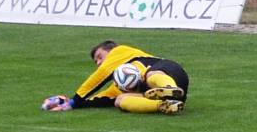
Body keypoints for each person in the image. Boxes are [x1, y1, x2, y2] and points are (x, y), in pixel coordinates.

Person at [42, 40, 189, 115]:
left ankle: (169, 89)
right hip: (162, 96)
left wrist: (75, 100)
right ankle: (164, 105)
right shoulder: (118, 83)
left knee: (151, 75)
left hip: (170, 72)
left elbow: (102, 74)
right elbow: (100, 98)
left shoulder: (120, 51)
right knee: (119, 100)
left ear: (111, 50)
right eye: (96, 62)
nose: (99, 63)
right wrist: (68, 103)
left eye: (100, 57)